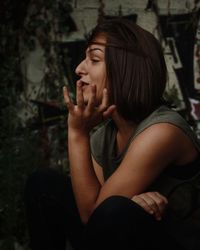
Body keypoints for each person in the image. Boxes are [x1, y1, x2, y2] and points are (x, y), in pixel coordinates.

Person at [25, 18, 200, 250]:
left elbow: (97, 215)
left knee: (114, 209)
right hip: (115, 236)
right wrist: (128, 204)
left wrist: (77, 133)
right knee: (43, 185)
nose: (79, 68)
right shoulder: (105, 136)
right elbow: (93, 215)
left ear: (125, 67)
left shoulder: (163, 131)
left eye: (94, 59)